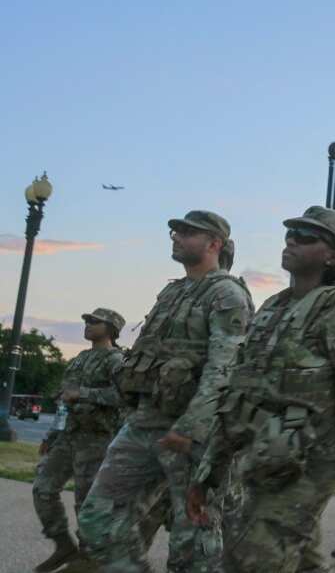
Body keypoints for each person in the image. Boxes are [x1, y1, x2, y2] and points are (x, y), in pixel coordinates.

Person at [185, 206, 335, 571]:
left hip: (309, 463)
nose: (291, 241)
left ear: (333, 256)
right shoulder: (273, 309)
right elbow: (238, 396)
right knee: (298, 560)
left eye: (306, 238)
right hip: (264, 457)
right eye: (291, 234)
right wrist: (207, 474)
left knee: (252, 559)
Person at [79, 210, 254, 573]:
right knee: (96, 518)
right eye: (175, 230)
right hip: (145, 423)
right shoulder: (172, 291)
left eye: (187, 232)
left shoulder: (226, 293)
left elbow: (223, 368)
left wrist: (191, 426)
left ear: (214, 244)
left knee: (192, 543)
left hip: (193, 435)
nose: (175, 236)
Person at [32, 309, 126, 573]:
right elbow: (64, 400)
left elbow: (123, 397)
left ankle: (88, 560)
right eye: (86, 320)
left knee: (86, 503)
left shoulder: (116, 360)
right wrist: (51, 435)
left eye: (94, 321)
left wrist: (83, 393)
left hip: (97, 441)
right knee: (42, 488)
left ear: (111, 328)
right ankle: (63, 545)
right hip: (69, 437)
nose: (87, 325)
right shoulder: (79, 359)